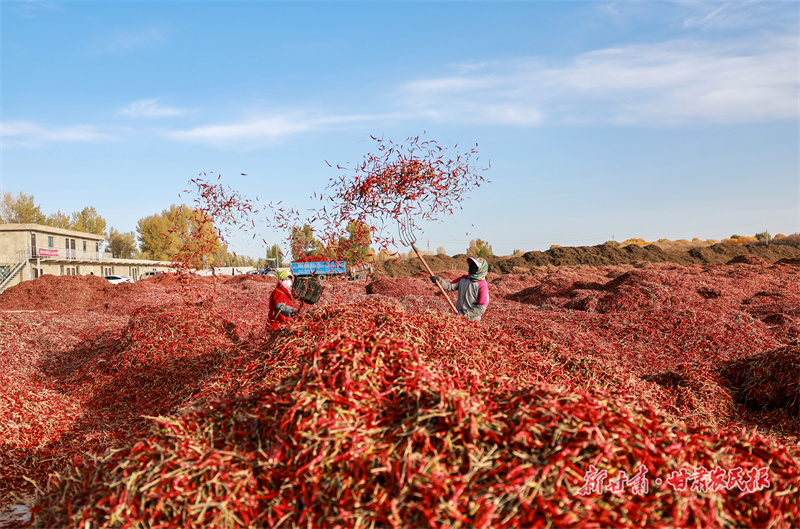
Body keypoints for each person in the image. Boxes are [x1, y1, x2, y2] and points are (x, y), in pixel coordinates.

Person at [430, 257, 490, 321]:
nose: (471, 267)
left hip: (472, 320)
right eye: (471, 265)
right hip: (458, 316)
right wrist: (439, 280)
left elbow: (481, 307)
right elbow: (449, 286)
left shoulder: (482, 285)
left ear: (481, 269)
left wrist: (466, 315)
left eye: (475, 266)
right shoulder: (463, 279)